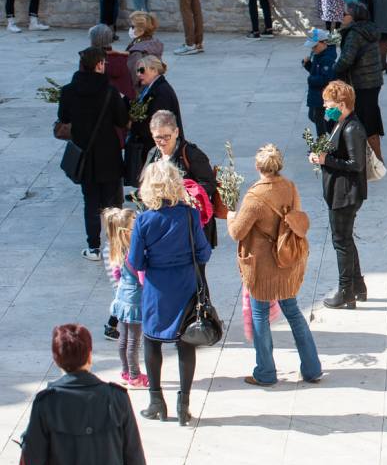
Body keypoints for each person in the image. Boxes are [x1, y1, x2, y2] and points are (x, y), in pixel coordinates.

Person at [227, 144, 323, 386]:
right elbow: (295, 218)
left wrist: (230, 217)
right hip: (287, 261)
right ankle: (312, 369)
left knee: (260, 314)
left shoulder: (254, 197)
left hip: (262, 267)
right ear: (279, 164)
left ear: (258, 166)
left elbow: (238, 233)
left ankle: (266, 372)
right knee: (293, 312)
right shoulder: (290, 187)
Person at [127, 161, 211, 426]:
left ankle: (156, 402)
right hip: (185, 286)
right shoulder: (189, 215)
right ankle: (183, 405)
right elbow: (203, 252)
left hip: (157, 289)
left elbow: (135, 262)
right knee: (185, 342)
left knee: (152, 342)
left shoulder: (143, 220)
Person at [20, 324, 148, 465]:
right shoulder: (117, 398)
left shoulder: (46, 402)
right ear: (89, 357)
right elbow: (135, 463)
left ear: (56, 359)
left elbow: (33, 461)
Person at [57, 47, 130, 262]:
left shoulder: (68, 91)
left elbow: (63, 116)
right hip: (109, 155)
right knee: (114, 204)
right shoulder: (110, 92)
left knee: (90, 202)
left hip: (84, 156)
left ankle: (94, 248)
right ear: (99, 65)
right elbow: (120, 121)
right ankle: (117, 248)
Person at [311, 81, 369, 309]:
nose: (325, 107)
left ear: (342, 104)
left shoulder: (352, 128)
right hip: (340, 192)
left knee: (341, 242)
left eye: (328, 103)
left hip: (345, 195)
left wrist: (326, 160)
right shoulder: (340, 122)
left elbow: (356, 164)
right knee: (346, 239)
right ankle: (358, 286)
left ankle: (346, 291)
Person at [143, 110, 217, 248]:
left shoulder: (192, 154)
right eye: (157, 138)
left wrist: (183, 193)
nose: (162, 142)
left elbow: (210, 184)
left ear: (176, 132)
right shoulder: (153, 154)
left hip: (191, 226)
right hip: (162, 228)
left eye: (166, 137)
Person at [334, 3, 385, 161]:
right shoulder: (368, 29)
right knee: (369, 117)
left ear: (354, 17)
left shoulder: (354, 33)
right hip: (373, 82)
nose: (342, 16)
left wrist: (333, 70)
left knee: (367, 121)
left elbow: (346, 59)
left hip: (363, 83)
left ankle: (377, 160)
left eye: (345, 14)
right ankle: (372, 157)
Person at [103, 207, 147, 388]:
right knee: (134, 341)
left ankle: (125, 372)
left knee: (123, 338)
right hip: (134, 301)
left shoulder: (116, 250)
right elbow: (143, 278)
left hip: (121, 299)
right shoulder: (134, 252)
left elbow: (116, 274)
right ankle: (135, 376)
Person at [127, 55, 183, 176]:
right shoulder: (150, 88)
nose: (138, 74)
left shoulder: (161, 92)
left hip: (159, 148)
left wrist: (134, 126)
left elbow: (159, 125)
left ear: (154, 71)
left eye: (142, 70)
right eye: (137, 71)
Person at [89, 24, 134, 148]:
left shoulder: (89, 61)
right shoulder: (121, 60)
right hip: (119, 114)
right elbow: (129, 87)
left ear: (92, 41)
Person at [302, 28, 338, 138]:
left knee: (318, 117)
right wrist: (307, 64)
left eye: (315, 46)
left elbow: (326, 78)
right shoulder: (318, 55)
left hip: (322, 94)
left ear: (324, 43)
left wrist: (310, 79)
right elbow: (315, 71)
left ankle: (322, 146)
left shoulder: (327, 59)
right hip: (316, 93)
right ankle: (333, 132)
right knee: (312, 116)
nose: (313, 48)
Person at [125, 11, 164, 91]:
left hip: (139, 91)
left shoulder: (137, 50)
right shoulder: (153, 44)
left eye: (133, 26)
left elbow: (133, 76)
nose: (131, 29)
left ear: (142, 30)